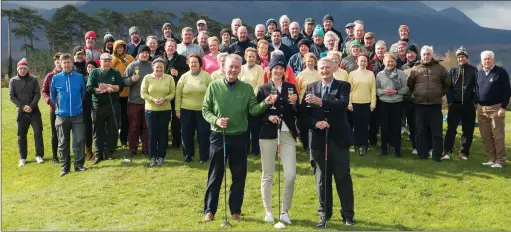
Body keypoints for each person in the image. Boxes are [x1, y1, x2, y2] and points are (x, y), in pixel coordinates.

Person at [201, 54, 275, 222]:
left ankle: (235, 210)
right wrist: (216, 120)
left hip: (240, 137)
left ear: (240, 69)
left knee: (239, 176)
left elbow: (254, 110)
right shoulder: (214, 87)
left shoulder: (247, 88)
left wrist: (266, 103)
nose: (233, 70)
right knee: (215, 175)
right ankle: (209, 211)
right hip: (219, 136)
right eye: (230, 67)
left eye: (236, 67)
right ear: (224, 67)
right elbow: (205, 110)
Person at [301, 57, 354, 228]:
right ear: (318, 69)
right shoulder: (311, 87)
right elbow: (303, 115)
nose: (324, 70)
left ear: (334, 68)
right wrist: (315, 123)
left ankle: (348, 215)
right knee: (322, 179)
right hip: (317, 139)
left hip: (338, 139)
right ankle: (324, 214)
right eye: (321, 68)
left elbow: (342, 105)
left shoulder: (343, 86)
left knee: (342, 177)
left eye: (327, 67)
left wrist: (321, 102)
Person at [256, 52, 299, 224]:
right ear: (270, 70)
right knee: (268, 173)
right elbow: (256, 113)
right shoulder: (263, 89)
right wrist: (268, 117)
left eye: (281, 68)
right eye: (276, 68)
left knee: (290, 175)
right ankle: (268, 210)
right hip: (268, 133)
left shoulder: (291, 88)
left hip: (287, 133)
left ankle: (284, 211)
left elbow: (297, 112)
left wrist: (295, 103)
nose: (278, 71)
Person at [407, 46, 450, 162]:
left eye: (428, 54)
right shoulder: (415, 69)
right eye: (424, 54)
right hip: (419, 105)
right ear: (421, 55)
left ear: (432, 55)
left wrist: (440, 93)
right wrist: (416, 94)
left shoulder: (440, 69)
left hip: (435, 105)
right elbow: (409, 84)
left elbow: (447, 83)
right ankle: (423, 154)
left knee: (437, 132)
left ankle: (436, 156)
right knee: (420, 131)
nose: (426, 56)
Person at [50, 53, 87, 177]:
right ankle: (65, 167)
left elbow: (83, 93)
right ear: (60, 63)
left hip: (77, 114)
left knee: (80, 140)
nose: (66, 64)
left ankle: (78, 165)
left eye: (68, 62)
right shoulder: (56, 78)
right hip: (62, 116)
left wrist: (77, 105)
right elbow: (53, 95)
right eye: (64, 62)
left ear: (72, 63)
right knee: (63, 143)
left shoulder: (79, 77)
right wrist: (60, 107)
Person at [86, 53, 124, 165]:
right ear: (100, 61)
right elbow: (89, 88)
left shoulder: (115, 72)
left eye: (109, 60)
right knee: (98, 131)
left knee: (113, 130)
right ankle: (98, 154)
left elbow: (120, 86)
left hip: (113, 104)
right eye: (105, 60)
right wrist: (99, 90)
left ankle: (109, 152)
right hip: (98, 105)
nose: (107, 63)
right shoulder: (94, 72)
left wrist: (110, 87)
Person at [175, 54, 213, 163]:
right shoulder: (184, 77)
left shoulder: (206, 76)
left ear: (200, 63)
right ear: (188, 63)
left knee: (203, 134)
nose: (193, 64)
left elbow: (212, 93)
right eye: (191, 62)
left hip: (203, 111)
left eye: (195, 62)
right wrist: (177, 110)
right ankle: (188, 155)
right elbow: (178, 95)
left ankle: (204, 157)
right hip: (186, 110)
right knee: (186, 134)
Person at [476, 51, 511, 168]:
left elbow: (507, 90)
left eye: (489, 59)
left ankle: (500, 161)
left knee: (498, 135)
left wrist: (503, 107)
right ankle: (491, 159)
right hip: (481, 109)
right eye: (485, 59)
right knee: (486, 135)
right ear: (481, 61)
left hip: (496, 108)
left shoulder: (501, 72)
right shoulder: (479, 74)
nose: (487, 61)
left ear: (493, 60)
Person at [442, 47, 478, 161]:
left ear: (466, 58)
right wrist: (451, 102)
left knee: (468, 130)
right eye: (459, 57)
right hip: (455, 105)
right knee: (451, 129)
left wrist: (474, 101)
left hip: (468, 105)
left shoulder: (474, 70)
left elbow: (477, 87)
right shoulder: (452, 70)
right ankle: (447, 151)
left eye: (463, 57)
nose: (461, 59)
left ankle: (463, 153)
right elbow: (448, 88)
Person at [141, 57, 176, 167]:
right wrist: (153, 99)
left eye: (161, 67)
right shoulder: (147, 78)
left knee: (163, 133)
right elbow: (143, 93)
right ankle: (152, 157)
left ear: (164, 68)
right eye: (157, 67)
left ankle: (161, 156)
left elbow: (172, 93)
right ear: (153, 67)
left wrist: (164, 99)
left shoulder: (169, 78)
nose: (159, 69)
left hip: (165, 110)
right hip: (151, 110)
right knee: (152, 134)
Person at [9, 58, 44, 167]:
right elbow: (11, 96)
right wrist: (23, 106)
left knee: (38, 132)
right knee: (21, 135)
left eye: (24, 68)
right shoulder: (13, 81)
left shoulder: (33, 79)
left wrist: (31, 106)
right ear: (18, 69)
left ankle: (39, 156)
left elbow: (37, 94)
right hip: (21, 112)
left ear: (27, 69)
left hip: (34, 111)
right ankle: (23, 158)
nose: (22, 70)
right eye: (20, 69)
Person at [123, 45, 152, 161]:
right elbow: (124, 81)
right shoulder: (132, 65)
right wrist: (131, 80)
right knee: (134, 126)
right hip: (134, 102)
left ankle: (146, 148)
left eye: (146, 53)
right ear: (138, 54)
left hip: (148, 102)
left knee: (146, 126)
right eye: (142, 52)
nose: (144, 55)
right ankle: (132, 149)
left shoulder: (152, 66)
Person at [376, 53, 409, 157]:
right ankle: (384, 150)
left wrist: (396, 92)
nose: (390, 63)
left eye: (392, 61)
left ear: (395, 62)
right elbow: (376, 90)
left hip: (397, 103)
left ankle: (397, 150)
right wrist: (383, 91)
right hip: (384, 103)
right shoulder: (380, 75)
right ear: (384, 62)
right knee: (384, 127)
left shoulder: (401, 73)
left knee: (396, 127)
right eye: (388, 61)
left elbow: (405, 88)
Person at [162, 39, 189, 149]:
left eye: (173, 46)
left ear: (176, 47)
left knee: (176, 118)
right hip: (163, 92)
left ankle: (176, 140)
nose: (171, 48)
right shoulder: (160, 59)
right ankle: (163, 140)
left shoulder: (182, 59)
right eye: (169, 46)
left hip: (177, 91)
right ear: (165, 47)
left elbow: (188, 74)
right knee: (164, 117)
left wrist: (178, 73)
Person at [348, 55, 376, 156]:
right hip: (355, 103)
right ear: (357, 62)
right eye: (361, 61)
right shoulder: (352, 74)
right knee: (356, 126)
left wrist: (373, 103)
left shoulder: (371, 74)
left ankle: (364, 145)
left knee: (365, 126)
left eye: (365, 61)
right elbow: (349, 90)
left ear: (367, 63)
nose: (363, 63)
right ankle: (356, 145)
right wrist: (349, 103)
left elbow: (373, 89)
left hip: (367, 103)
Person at [240, 48, 265, 156]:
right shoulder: (240, 68)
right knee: (244, 127)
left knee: (255, 127)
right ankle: (244, 149)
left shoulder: (259, 68)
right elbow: (239, 83)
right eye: (249, 56)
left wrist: (251, 98)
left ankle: (255, 150)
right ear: (245, 57)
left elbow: (260, 85)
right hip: (241, 101)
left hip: (255, 102)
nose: (251, 58)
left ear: (256, 58)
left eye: (253, 57)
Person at [112, 40, 135, 149]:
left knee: (126, 118)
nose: (120, 49)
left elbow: (135, 69)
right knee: (115, 118)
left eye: (122, 47)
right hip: (115, 94)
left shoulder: (129, 58)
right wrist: (115, 61)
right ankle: (113, 140)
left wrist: (127, 63)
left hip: (128, 93)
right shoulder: (112, 59)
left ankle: (124, 140)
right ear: (115, 48)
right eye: (118, 47)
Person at [41, 52, 63, 165]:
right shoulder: (50, 76)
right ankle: (55, 157)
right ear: (55, 62)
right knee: (55, 133)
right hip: (54, 109)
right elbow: (44, 91)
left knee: (65, 133)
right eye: (57, 61)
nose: (59, 63)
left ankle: (65, 154)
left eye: (61, 61)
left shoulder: (68, 74)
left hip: (67, 109)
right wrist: (49, 100)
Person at [296, 52, 320, 153]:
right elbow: (297, 90)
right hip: (304, 103)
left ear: (315, 62)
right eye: (308, 61)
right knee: (305, 125)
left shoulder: (319, 73)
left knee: (314, 124)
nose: (310, 63)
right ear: (305, 62)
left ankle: (315, 145)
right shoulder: (301, 75)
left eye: (311, 61)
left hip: (315, 102)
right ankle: (306, 146)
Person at [400, 43, 421, 155]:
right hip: (407, 100)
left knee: (421, 124)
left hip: (420, 100)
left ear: (416, 53)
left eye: (411, 52)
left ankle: (423, 145)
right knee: (412, 124)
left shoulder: (421, 66)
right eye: (407, 53)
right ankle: (415, 146)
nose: (409, 55)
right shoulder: (403, 68)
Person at [83, 60, 97, 161]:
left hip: (97, 105)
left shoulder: (98, 77)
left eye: (92, 67)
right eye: (88, 67)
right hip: (86, 107)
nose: (90, 69)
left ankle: (98, 150)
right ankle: (88, 151)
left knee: (97, 129)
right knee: (87, 129)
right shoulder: (83, 79)